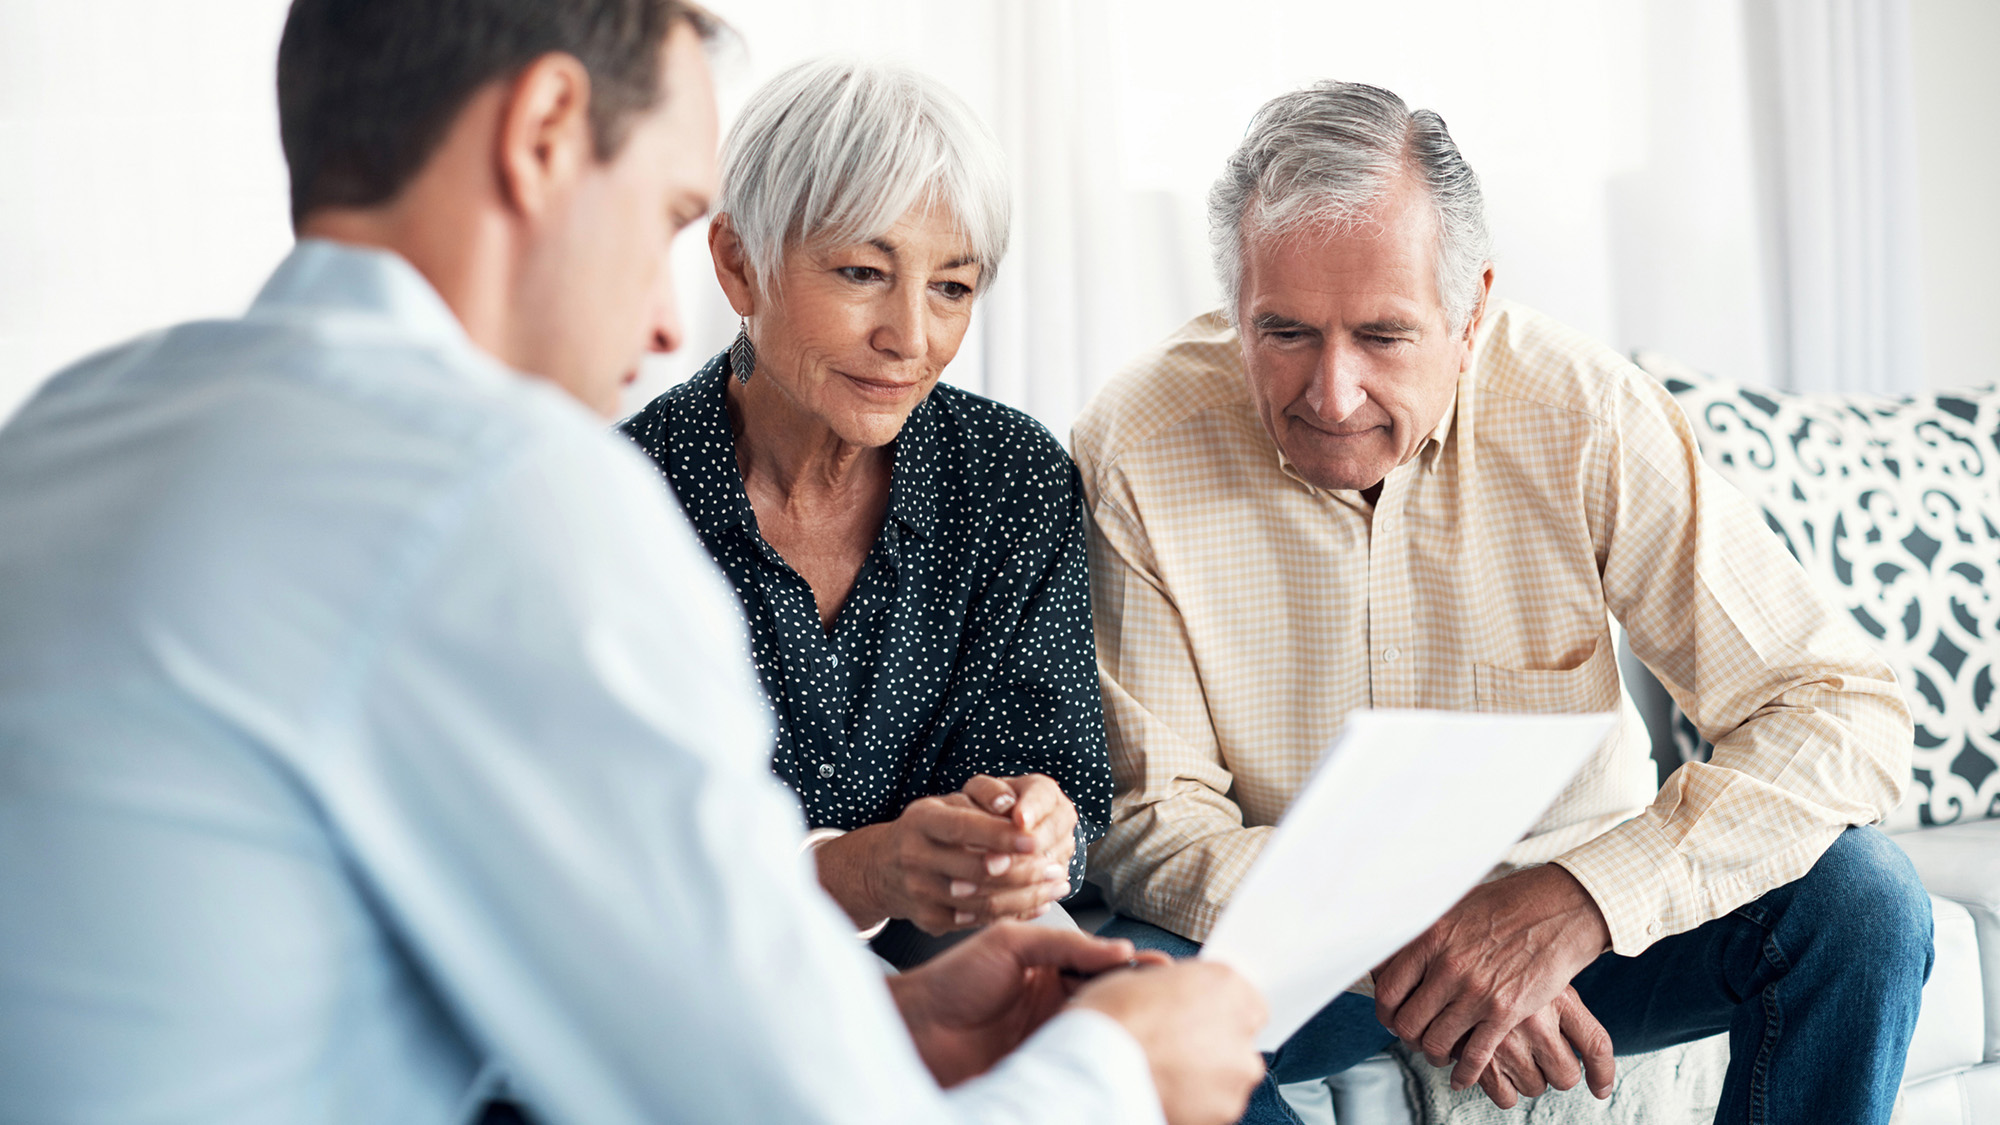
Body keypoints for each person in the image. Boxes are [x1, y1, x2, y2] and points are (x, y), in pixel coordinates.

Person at [0, 2, 1269, 1123]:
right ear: (545, 130)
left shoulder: (69, 428)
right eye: (667, 213)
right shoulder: (503, 495)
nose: (667, 320)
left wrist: (894, 1027)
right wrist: (1123, 1073)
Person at [1073, 80, 1932, 1125]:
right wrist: (1417, 933)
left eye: (1382, 337)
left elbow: (1840, 710)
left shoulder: (1582, 413)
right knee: (1118, 1005)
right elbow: (1151, 821)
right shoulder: (1135, 443)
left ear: (1470, 311)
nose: (1329, 394)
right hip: (1308, 952)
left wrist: (1579, 904)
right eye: (1284, 331)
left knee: (1861, 906)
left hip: (1574, 924)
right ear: (1232, 304)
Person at [620, 59, 1105, 966]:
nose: (910, 339)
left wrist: (1033, 827)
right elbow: (614, 862)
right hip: (699, 976)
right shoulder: (616, 502)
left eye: (951, 287)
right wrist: (861, 870)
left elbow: (1062, 774)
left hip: (968, 949)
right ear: (738, 262)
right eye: (861, 271)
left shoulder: (1012, 476)